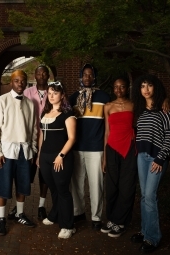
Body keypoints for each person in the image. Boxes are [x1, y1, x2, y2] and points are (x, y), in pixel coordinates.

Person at [130, 74, 170, 253]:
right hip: (142, 156)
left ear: (155, 87)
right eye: (142, 86)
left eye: (149, 85)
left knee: (150, 196)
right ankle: (144, 231)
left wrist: (160, 158)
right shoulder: (140, 110)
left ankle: (153, 238)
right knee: (143, 196)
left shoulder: (165, 109)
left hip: (157, 159)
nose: (146, 89)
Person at [0, 70, 37, 236]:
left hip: (24, 150)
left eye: (23, 81)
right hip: (6, 151)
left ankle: (19, 213)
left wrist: (33, 150)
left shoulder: (30, 104)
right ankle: (1, 219)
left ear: (26, 83)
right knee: (3, 186)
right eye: (16, 81)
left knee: (23, 185)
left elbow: (33, 130)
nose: (20, 84)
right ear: (11, 82)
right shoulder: (1, 101)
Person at [69, 63, 110, 230]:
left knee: (96, 184)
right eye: (85, 75)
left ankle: (96, 217)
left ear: (95, 77)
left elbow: (109, 125)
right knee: (76, 182)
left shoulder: (104, 97)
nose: (87, 77)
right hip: (77, 147)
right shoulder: (73, 98)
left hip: (96, 147)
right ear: (81, 76)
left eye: (90, 74)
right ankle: (78, 212)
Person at [8, 65, 50, 221]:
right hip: (29, 139)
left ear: (48, 75)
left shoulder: (53, 92)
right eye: (39, 73)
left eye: (44, 73)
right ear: (35, 76)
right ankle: (17, 207)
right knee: (25, 174)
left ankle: (41, 206)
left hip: (47, 140)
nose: (41, 75)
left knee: (44, 175)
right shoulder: (26, 92)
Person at [37, 81, 77, 239]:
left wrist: (61, 156)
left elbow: (72, 138)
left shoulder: (68, 114)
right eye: (50, 93)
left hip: (61, 157)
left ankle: (68, 226)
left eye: (55, 93)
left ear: (62, 95)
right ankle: (55, 214)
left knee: (63, 190)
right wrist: (39, 155)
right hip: (45, 157)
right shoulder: (45, 113)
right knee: (53, 189)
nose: (52, 96)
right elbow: (41, 135)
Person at [101, 77, 137, 237]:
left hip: (129, 148)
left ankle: (120, 222)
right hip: (112, 148)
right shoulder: (108, 106)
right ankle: (112, 219)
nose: (119, 90)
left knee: (127, 185)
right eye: (116, 87)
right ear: (113, 89)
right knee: (111, 186)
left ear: (127, 88)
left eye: (122, 87)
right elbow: (106, 132)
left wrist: (165, 99)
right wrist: (104, 157)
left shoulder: (134, 105)